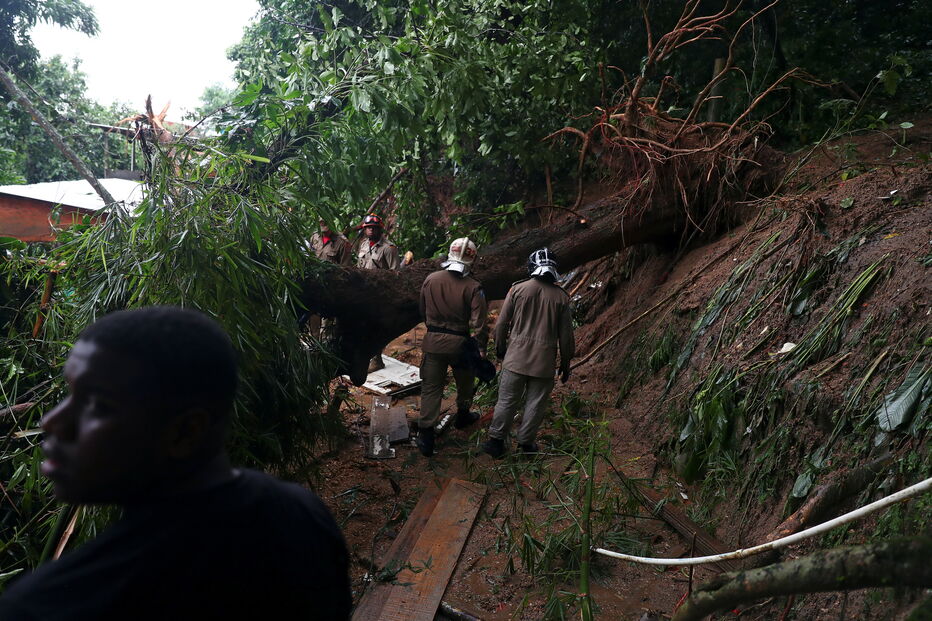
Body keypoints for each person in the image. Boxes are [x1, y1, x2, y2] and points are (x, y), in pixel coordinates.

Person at [0, 307, 352, 621]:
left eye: (98, 405)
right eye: (69, 394)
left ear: (185, 431)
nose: (52, 422)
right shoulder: (302, 516)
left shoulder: (52, 605)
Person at [482, 248, 575, 458]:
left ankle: (496, 442)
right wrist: (566, 363)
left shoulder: (518, 289)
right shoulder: (561, 298)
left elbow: (502, 324)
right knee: (536, 404)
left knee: (506, 400)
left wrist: (500, 349)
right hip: (543, 364)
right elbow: (566, 337)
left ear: (531, 267)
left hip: (515, 359)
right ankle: (526, 445)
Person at [416, 237, 488, 457]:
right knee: (465, 383)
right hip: (461, 345)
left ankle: (426, 435)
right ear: (472, 259)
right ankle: (464, 415)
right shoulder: (474, 286)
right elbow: (479, 323)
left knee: (431, 387)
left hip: (433, 342)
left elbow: (422, 309)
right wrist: (481, 349)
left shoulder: (430, 279)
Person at [356, 213, 400, 372]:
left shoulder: (389, 248)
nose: (371, 231)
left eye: (374, 228)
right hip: (364, 292)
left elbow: (395, 274)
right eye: (368, 228)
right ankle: (366, 356)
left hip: (380, 294)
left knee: (376, 327)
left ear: (380, 229)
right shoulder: (363, 245)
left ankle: (376, 358)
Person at [305, 217, 352, 340]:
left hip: (331, 290)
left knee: (327, 329)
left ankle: (326, 351)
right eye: (321, 223)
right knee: (313, 326)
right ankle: (315, 350)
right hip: (315, 288)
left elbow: (345, 269)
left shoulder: (342, 242)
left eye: (325, 222)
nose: (323, 226)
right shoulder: (314, 238)